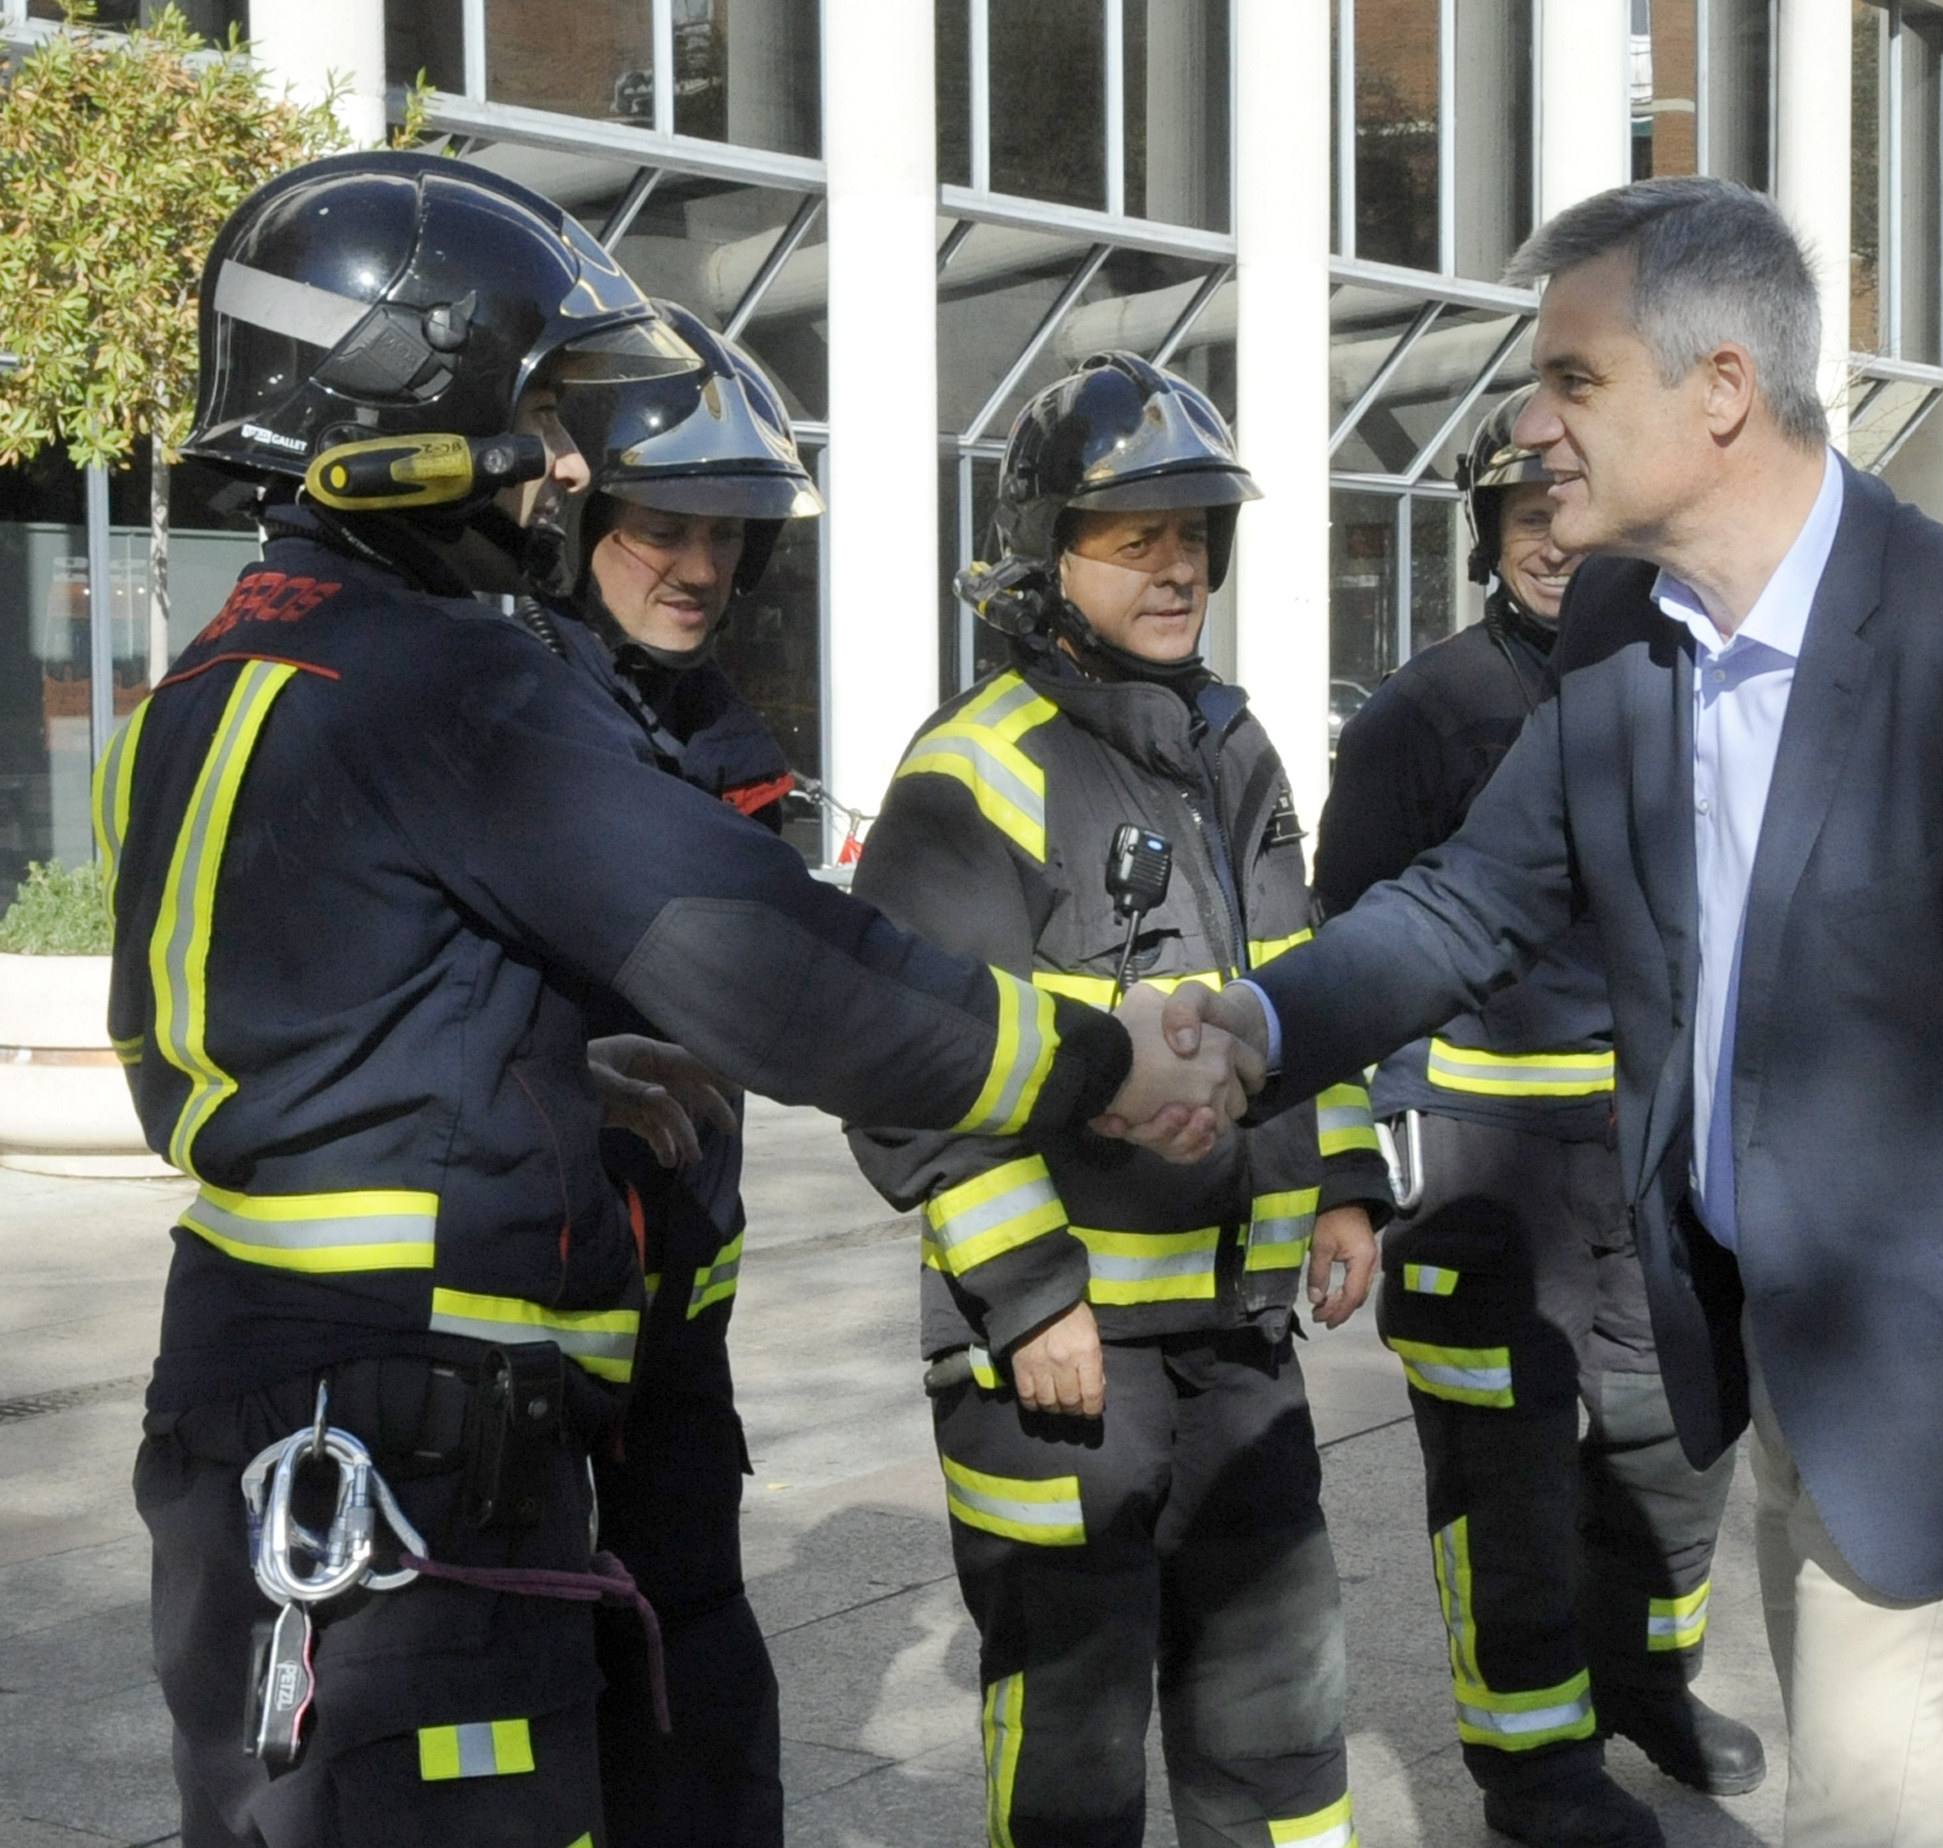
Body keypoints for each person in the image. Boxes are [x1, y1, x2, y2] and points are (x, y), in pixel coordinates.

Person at [106, 152, 1244, 1848]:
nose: (573, 463)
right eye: (540, 414)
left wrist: (547, 1065)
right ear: (408, 402)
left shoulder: (221, 674)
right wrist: (1095, 1057)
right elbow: (777, 966)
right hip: (411, 1421)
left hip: (271, 1404)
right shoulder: (453, 680)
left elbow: (327, 1024)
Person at [1166, 176, 1943, 1848]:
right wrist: (1251, 1029)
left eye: (1574, 380)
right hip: (1765, 1357)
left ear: (1723, 389)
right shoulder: (1625, 629)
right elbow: (1468, 899)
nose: (1533, 424)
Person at [844, 352, 1387, 1848]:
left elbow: (1302, 978)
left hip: (1241, 1329)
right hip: (1065, 1360)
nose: (1178, 567)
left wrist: (1344, 1182)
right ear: (1047, 555)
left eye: (1195, 535)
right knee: (1076, 1740)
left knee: (1280, 1707)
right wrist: (1029, 1297)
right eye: (1136, 537)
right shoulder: (974, 772)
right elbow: (916, 1073)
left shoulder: (1235, 745)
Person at [1315, 386, 1762, 1848]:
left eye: (1570, 510)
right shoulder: (1421, 715)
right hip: (1481, 1173)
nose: (1553, 543)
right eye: (1523, 517)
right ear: (1487, 533)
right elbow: (1347, 942)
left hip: (1647, 1161)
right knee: (1503, 1486)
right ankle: (1532, 1765)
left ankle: (1647, 1685)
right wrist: (1356, 1171)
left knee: (1671, 1451)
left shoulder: (1669, 678)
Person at [527, 302, 825, 1843]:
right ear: (577, 516)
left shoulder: (728, 742)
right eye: (664, 525)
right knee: (524, 1707)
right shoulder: (505, 715)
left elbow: (794, 992)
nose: (701, 566)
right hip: (509, 1342)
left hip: (675, 1331)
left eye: (727, 533)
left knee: (699, 1687)